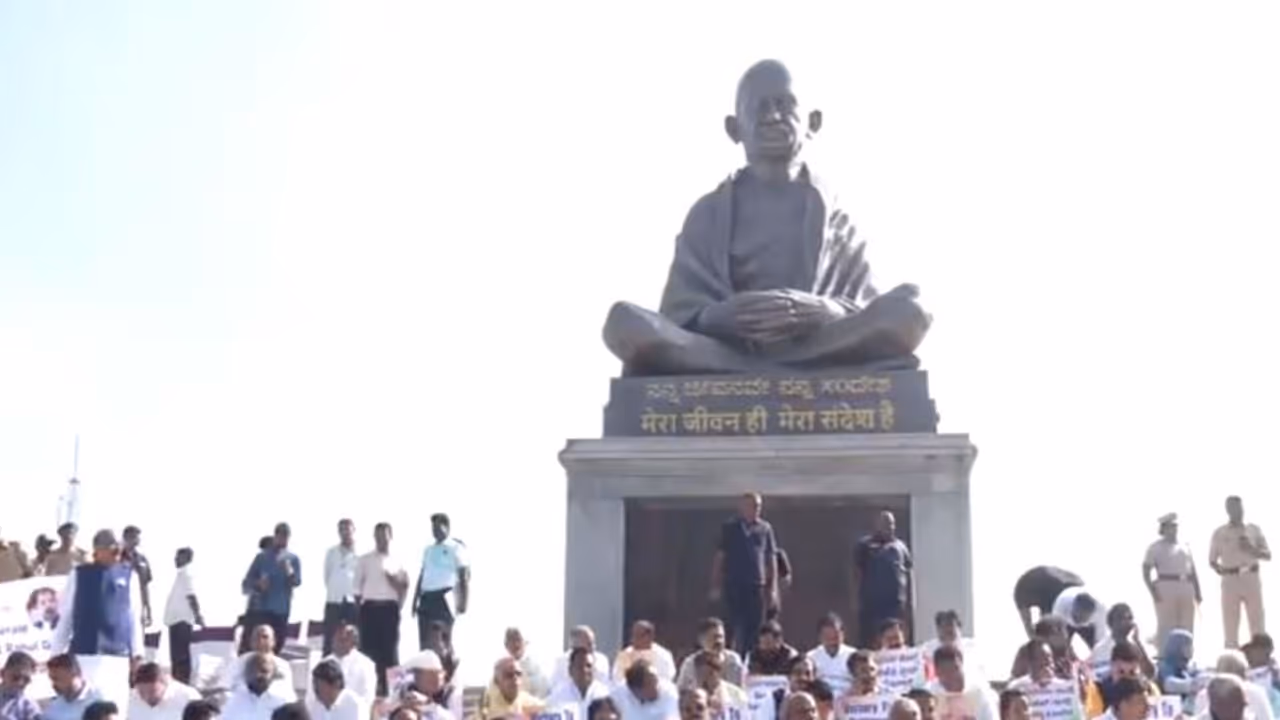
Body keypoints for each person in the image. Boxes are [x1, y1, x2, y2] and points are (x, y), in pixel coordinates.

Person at [600, 59, 932, 377]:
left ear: (813, 122)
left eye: (784, 105)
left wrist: (826, 311)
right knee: (624, 322)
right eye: (758, 108)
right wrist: (714, 317)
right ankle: (770, 372)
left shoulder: (837, 213)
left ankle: (753, 375)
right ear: (734, 128)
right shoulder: (707, 214)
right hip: (724, 350)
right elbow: (678, 314)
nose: (772, 117)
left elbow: (865, 306)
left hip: (821, 343)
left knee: (912, 310)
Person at [49, 528, 142, 708]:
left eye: (118, 549)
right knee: (85, 707)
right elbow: (66, 616)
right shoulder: (79, 574)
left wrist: (137, 654)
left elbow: (134, 617)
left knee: (115, 707)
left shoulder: (129, 575)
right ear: (98, 551)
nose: (117, 553)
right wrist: (56, 654)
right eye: (112, 550)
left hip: (117, 654)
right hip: (85, 652)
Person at [711, 492, 779, 654]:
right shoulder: (729, 528)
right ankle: (727, 658)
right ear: (741, 507)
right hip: (733, 584)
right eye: (751, 506)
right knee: (730, 625)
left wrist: (773, 589)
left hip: (756, 586)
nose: (755, 509)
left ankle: (750, 660)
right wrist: (715, 585)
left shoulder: (765, 529)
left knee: (754, 629)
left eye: (758, 506)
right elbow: (720, 557)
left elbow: (771, 559)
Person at [354, 521, 408, 697]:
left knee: (391, 652)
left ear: (390, 537)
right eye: (378, 536)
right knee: (368, 652)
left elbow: (404, 586)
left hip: (390, 609)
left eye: (384, 536)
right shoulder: (365, 560)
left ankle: (396, 693)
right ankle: (369, 691)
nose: (381, 539)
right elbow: (357, 589)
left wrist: (394, 582)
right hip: (370, 608)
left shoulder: (398, 560)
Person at [1211, 495, 1271, 647]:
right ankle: (1231, 654)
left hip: (1251, 576)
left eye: (1238, 507)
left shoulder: (1253, 529)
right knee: (1230, 623)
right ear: (1227, 510)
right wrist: (1220, 570)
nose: (1236, 511)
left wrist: (1251, 549)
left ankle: (1260, 654)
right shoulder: (1220, 532)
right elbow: (1212, 560)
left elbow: (1267, 555)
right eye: (1231, 508)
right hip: (1230, 579)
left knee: (1257, 622)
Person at [239, 523, 301, 654]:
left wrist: (289, 572)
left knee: (276, 647)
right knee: (253, 648)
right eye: (280, 534)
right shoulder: (262, 557)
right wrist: (258, 584)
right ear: (275, 536)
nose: (282, 538)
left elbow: (297, 582)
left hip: (281, 610)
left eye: (285, 535)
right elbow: (246, 584)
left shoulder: (293, 559)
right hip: (260, 610)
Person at [854, 511, 913, 647]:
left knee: (895, 639)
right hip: (871, 605)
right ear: (877, 525)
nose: (889, 527)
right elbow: (855, 573)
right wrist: (856, 600)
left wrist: (910, 603)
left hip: (895, 606)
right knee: (871, 640)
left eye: (891, 524)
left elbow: (908, 573)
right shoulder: (864, 545)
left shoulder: (901, 547)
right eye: (885, 523)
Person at [1143, 513, 1202, 649]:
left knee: (1187, 624)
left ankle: (1186, 653)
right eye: (1170, 527)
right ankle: (1164, 653)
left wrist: (1198, 591)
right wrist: (1152, 591)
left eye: (1175, 526)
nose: (1173, 529)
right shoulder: (1155, 547)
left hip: (1186, 585)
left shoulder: (1184, 546)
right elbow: (1146, 570)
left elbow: (1192, 570)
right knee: (1167, 625)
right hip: (1166, 585)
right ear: (1163, 529)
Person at [412, 513, 470, 648]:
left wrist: (464, 602)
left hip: (444, 597)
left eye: (438, 527)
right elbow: (422, 575)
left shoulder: (456, 547)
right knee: (425, 641)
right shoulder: (428, 550)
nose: (435, 530)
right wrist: (415, 600)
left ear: (447, 527)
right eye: (433, 527)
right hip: (426, 598)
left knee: (442, 642)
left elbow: (464, 575)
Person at [164, 546, 204, 685]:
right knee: (177, 657)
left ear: (186, 558)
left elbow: (191, 596)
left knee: (180, 657)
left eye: (178, 556)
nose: (175, 559)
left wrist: (198, 615)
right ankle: (179, 682)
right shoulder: (181, 574)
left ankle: (181, 684)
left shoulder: (187, 574)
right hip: (176, 620)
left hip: (182, 621)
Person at [1013, 566, 1084, 638]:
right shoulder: (1022, 595)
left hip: (1049, 581)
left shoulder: (1060, 585)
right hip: (1043, 582)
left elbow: (1029, 628)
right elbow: (1029, 629)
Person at [322, 519, 358, 657]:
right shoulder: (331, 552)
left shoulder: (361, 553)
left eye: (347, 529)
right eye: (341, 530)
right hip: (334, 600)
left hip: (353, 601)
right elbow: (327, 576)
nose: (345, 533)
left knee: (353, 639)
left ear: (353, 530)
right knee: (330, 638)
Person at [676, 617, 745, 689]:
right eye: (714, 637)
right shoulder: (690, 663)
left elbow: (741, 689)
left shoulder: (733, 660)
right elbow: (680, 690)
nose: (719, 641)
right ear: (702, 640)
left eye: (721, 637)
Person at [222, 653, 295, 720]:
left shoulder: (283, 702)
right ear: (245, 674)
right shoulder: (230, 700)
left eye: (264, 671)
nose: (257, 675)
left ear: (274, 675)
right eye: (252, 670)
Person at [546, 647, 611, 720]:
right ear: (570, 670)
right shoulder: (557, 697)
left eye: (588, 666)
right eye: (580, 666)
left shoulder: (604, 694)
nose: (585, 670)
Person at [322, 624, 376, 705]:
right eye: (335, 640)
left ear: (353, 643)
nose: (336, 643)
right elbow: (312, 698)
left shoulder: (366, 665)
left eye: (342, 640)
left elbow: (367, 697)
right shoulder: (323, 664)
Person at [127, 662, 201, 720]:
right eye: (142, 693)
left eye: (152, 692)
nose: (147, 697)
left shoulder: (188, 697)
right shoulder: (128, 699)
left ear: (165, 684)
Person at [609, 660, 679, 720]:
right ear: (635, 690)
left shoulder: (670, 692)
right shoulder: (617, 696)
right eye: (650, 685)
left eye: (656, 681)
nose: (657, 688)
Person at [478, 657, 543, 720]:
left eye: (518, 674)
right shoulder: (486, 705)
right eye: (509, 674)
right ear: (497, 681)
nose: (515, 678)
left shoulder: (531, 703)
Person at [613, 620, 677, 683]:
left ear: (650, 637)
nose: (633, 640)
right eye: (633, 635)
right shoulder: (625, 654)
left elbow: (666, 679)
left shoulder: (662, 655)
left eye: (638, 636)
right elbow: (617, 679)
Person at [44, 654, 104, 720]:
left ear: (74, 672)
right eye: (52, 679)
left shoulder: (98, 700)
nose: (54, 684)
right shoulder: (53, 708)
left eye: (57, 678)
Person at [806, 614, 855, 694]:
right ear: (820, 637)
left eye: (836, 636)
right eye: (827, 637)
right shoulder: (810, 657)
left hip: (849, 697)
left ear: (843, 635)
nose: (832, 641)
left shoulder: (853, 655)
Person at [121, 525, 155, 628]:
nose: (136, 540)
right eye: (132, 537)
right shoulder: (116, 557)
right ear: (125, 538)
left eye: (136, 537)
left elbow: (144, 586)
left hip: (136, 606)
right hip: (118, 606)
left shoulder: (142, 559)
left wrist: (148, 608)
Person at [504, 627, 551, 698]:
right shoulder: (502, 670)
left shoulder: (537, 666)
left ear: (525, 643)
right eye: (512, 640)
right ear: (506, 645)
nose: (516, 644)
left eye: (518, 639)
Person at [0, 651, 39, 720]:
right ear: (2, 673)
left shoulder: (28, 706)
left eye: (26, 679)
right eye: (15, 677)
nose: (20, 683)